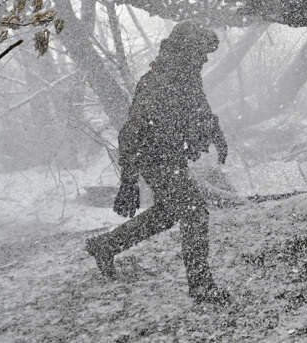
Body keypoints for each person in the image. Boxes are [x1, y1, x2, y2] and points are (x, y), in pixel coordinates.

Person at [85, 22, 228, 304]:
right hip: (154, 159)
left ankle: (105, 246)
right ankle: (201, 287)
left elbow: (200, 108)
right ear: (187, 50)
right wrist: (128, 182)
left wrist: (216, 133)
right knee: (194, 212)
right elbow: (129, 134)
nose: (205, 59)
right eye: (202, 52)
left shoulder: (187, 76)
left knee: (168, 212)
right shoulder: (156, 83)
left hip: (171, 157)